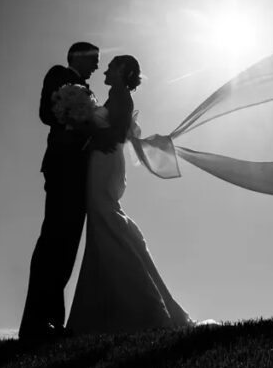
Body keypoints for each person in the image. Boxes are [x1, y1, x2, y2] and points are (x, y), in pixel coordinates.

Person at [66, 55, 192, 333]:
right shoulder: (115, 94)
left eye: (111, 66)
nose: (106, 70)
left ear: (122, 69)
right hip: (101, 159)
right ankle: (107, 311)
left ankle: (146, 308)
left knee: (105, 216)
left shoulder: (121, 95)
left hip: (105, 160)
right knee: (103, 222)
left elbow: (118, 132)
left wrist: (82, 125)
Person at [18, 41, 109, 340]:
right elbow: (47, 113)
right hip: (62, 165)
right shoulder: (58, 75)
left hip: (81, 172)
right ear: (77, 57)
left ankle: (53, 321)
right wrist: (75, 119)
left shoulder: (88, 90)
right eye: (94, 59)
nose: (97, 65)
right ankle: (35, 322)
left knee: (68, 244)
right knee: (53, 240)